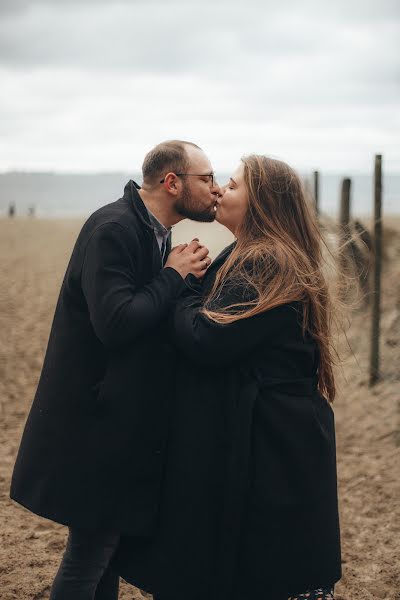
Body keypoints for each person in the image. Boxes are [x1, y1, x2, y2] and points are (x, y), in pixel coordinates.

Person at [114, 155, 341, 600]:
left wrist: (178, 284)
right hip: (271, 432)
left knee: (266, 567)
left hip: (272, 439)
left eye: (233, 186)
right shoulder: (249, 253)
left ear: (262, 204)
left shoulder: (266, 260)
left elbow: (206, 339)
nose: (219, 191)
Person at [10, 140, 220, 600]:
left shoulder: (151, 231)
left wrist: (178, 277)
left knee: (101, 552)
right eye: (206, 179)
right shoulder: (114, 228)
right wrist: (174, 274)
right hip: (93, 428)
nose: (216, 189)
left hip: (113, 424)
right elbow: (117, 323)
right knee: (90, 555)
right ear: (172, 182)